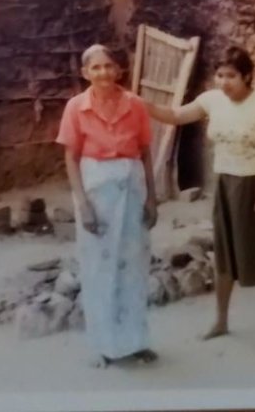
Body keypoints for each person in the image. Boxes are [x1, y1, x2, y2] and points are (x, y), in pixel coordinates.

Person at [146, 45, 255, 350]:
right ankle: (220, 321)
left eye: (230, 76)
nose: (223, 82)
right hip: (225, 186)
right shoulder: (211, 100)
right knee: (224, 259)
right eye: (219, 75)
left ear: (247, 76)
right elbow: (177, 115)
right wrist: (143, 106)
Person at [56, 44, 159, 367]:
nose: (103, 73)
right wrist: (82, 204)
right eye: (96, 67)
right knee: (99, 268)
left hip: (132, 187)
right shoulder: (76, 107)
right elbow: (70, 158)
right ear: (85, 73)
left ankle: (135, 341)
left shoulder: (136, 105)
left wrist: (152, 197)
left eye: (109, 66)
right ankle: (104, 346)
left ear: (119, 70)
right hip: (96, 189)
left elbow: (144, 153)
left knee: (134, 265)